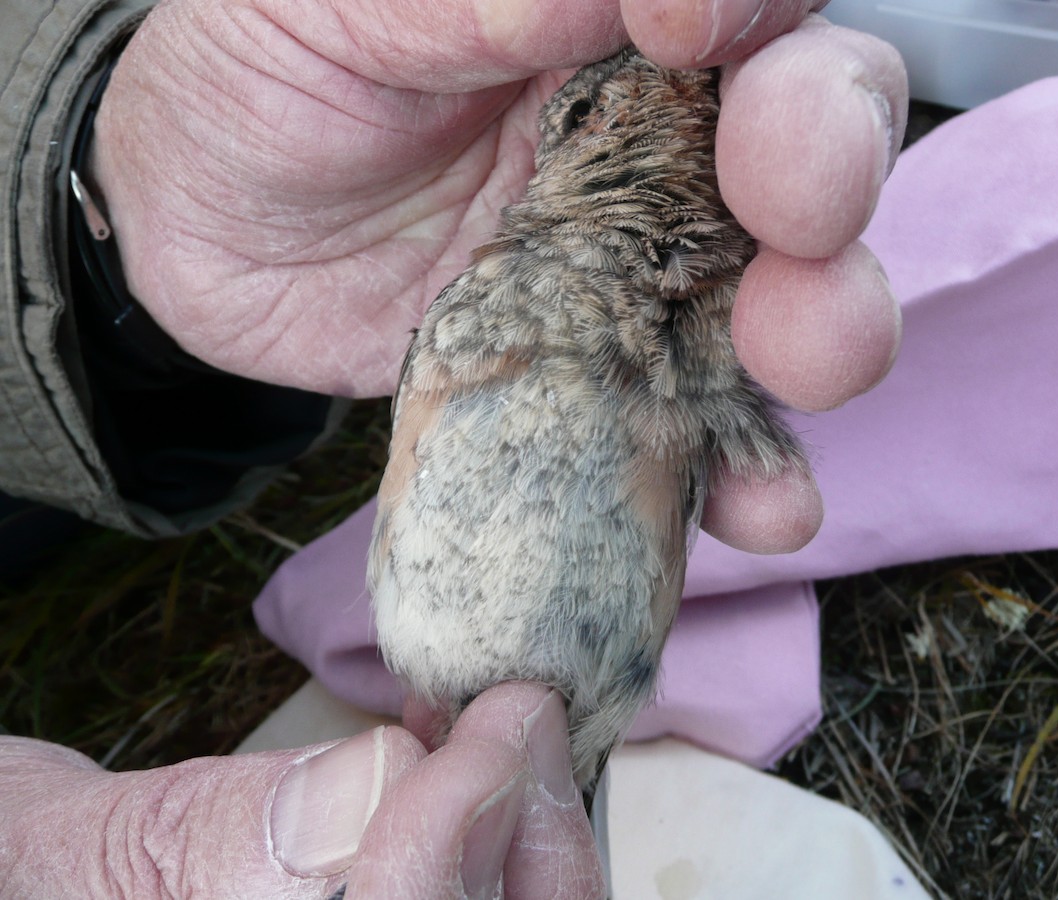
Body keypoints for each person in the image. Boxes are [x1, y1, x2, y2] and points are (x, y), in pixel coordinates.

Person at [0, 0, 907, 894]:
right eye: (580, 114)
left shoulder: (698, 321)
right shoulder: (544, 293)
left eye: (576, 117)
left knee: (494, 809)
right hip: (482, 674)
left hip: (549, 692)